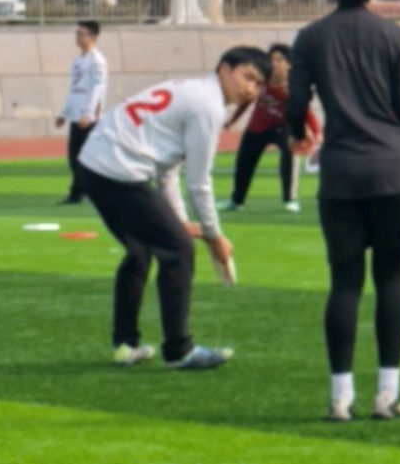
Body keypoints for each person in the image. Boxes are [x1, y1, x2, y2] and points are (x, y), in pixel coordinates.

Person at [287, 0, 400, 424]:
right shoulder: (395, 37)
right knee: (391, 279)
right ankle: (387, 394)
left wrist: (296, 135)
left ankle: (339, 397)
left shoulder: (309, 38)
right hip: (393, 169)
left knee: (344, 283)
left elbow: (295, 104)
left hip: (340, 172)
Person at [78, 46, 269, 370]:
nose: (251, 88)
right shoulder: (208, 106)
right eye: (247, 76)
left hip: (94, 165)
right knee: (179, 250)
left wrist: (179, 220)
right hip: (117, 168)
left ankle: (125, 345)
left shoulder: (195, 92)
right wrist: (214, 236)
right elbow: (199, 182)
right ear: (224, 69)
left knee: (139, 252)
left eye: (259, 83)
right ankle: (179, 350)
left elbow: (167, 169)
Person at [229, 44, 318, 212]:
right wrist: (232, 120)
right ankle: (236, 201)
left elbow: (305, 110)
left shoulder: (292, 85)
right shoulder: (261, 80)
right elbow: (246, 101)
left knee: (290, 155)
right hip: (257, 127)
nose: (275, 63)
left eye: (279, 59)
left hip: (283, 127)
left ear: (288, 64)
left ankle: (290, 199)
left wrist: (316, 131)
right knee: (243, 162)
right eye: (272, 59)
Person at [55, 18, 108, 203]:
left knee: (86, 157)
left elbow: (97, 88)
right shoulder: (78, 61)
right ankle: (79, 191)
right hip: (76, 115)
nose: (77, 37)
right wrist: (64, 113)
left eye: (81, 33)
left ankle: (82, 192)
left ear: (92, 36)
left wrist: (89, 113)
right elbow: (73, 88)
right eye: (76, 33)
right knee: (74, 157)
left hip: (88, 118)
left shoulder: (97, 61)